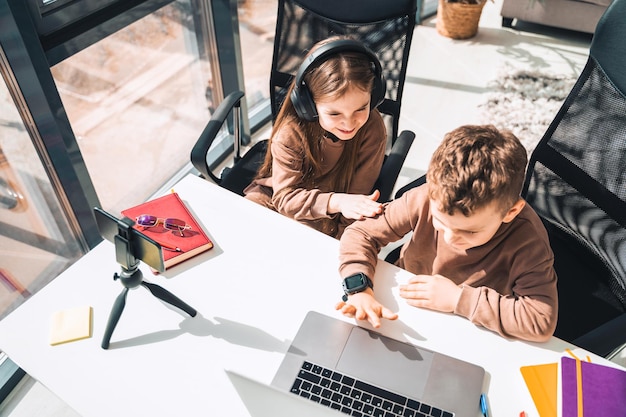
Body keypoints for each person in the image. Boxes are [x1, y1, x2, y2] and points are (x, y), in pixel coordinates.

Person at [336, 124, 558, 342]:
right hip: (405, 302)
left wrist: (457, 299)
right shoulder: (425, 197)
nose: (450, 238)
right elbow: (361, 234)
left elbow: (539, 319)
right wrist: (359, 289)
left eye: (469, 231)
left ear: (511, 212)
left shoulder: (528, 241)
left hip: (469, 327)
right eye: (440, 223)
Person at [244, 36, 387, 238]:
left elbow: (356, 202)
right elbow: (285, 199)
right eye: (334, 113)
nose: (349, 123)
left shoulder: (372, 128)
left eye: (361, 108)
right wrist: (336, 201)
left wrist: (340, 241)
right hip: (281, 197)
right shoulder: (290, 132)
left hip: (331, 213)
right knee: (243, 226)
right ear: (307, 105)